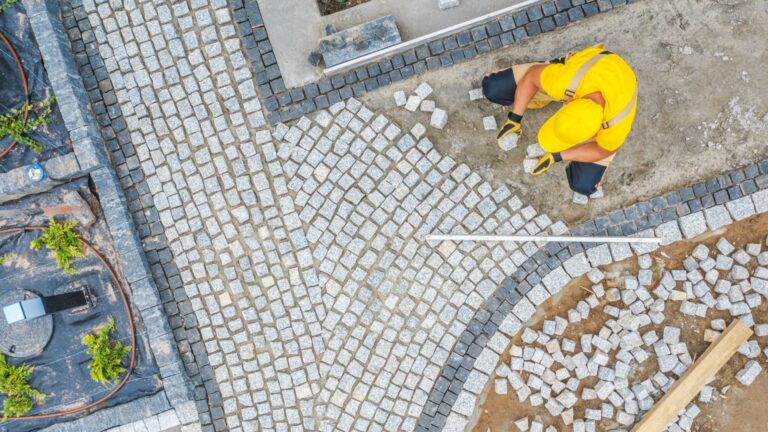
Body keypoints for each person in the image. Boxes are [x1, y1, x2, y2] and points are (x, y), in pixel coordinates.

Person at [481, 44, 638, 197]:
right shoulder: (566, 82)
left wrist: (557, 156)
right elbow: (531, 76)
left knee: (583, 185)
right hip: (594, 65)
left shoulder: (615, 126)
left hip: (621, 85)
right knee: (493, 88)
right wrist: (514, 119)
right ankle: (555, 67)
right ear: (569, 102)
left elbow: (602, 150)